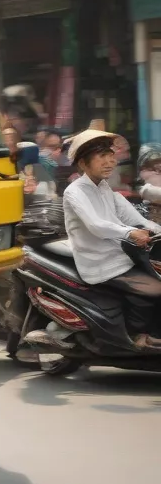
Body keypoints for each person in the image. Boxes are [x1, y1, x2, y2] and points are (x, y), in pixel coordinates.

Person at [62, 129, 161, 350]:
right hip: (100, 262)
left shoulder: (105, 188)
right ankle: (136, 336)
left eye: (111, 155)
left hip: (120, 254)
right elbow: (96, 225)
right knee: (154, 290)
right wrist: (130, 233)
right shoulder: (74, 192)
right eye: (102, 157)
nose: (110, 161)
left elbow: (130, 215)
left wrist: (152, 227)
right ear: (84, 164)